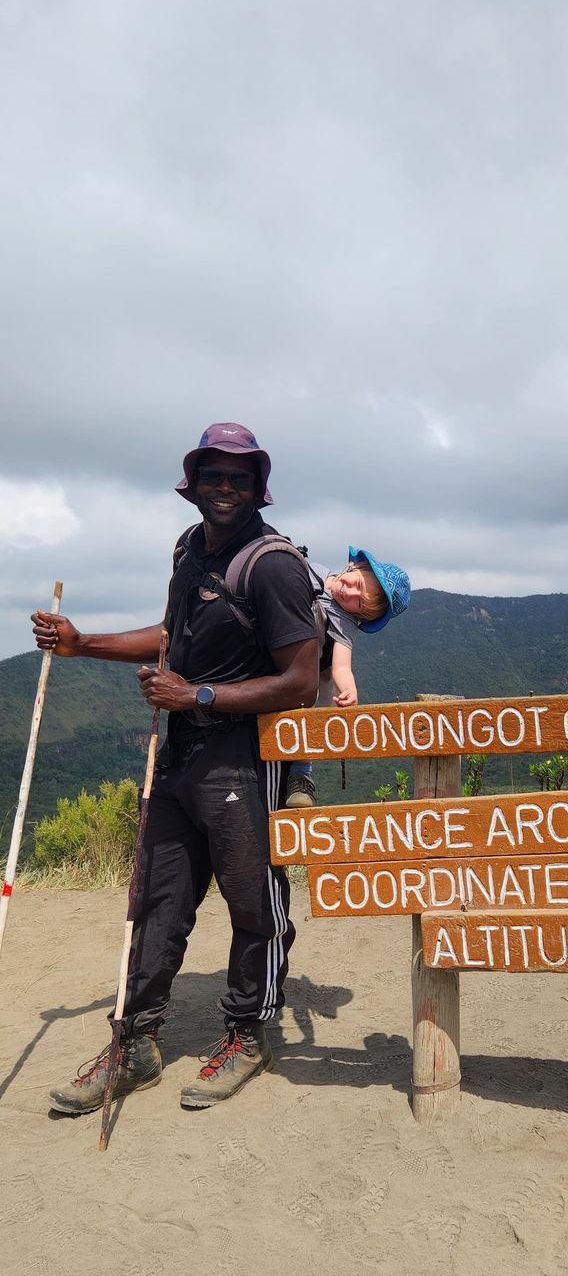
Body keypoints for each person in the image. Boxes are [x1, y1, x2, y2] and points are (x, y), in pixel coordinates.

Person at [33, 424, 321, 1114]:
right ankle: (133, 1042)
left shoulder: (271, 564)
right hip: (183, 754)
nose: (226, 489)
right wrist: (83, 645)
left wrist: (195, 694)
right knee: (158, 901)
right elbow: (173, 635)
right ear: (191, 483)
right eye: (214, 476)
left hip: (244, 759)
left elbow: (301, 681)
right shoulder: (188, 550)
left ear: (258, 488)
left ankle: (247, 1036)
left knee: (254, 905)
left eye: (239, 478)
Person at [285, 547, 411, 808]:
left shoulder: (345, 620)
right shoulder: (308, 569)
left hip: (308, 685)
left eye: (360, 603)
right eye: (359, 584)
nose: (350, 593)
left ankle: (300, 775)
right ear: (356, 566)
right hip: (273, 657)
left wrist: (349, 690)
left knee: (309, 719)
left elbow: (341, 667)